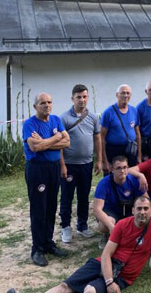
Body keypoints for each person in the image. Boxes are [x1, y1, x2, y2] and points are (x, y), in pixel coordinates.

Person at [43, 196, 151, 293]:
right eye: (139, 209)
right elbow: (106, 254)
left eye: (146, 209)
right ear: (133, 210)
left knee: (90, 290)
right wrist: (109, 282)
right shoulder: (122, 225)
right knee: (64, 287)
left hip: (123, 274)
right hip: (102, 264)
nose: (142, 212)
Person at [23, 92, 70, 266]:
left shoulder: (56, 120)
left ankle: (48, 243)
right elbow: (35, 147)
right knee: (39, 208)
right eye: (43, 103)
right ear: (35, 106)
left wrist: (45, 142)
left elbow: (67, 142)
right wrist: (56, 138)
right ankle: (37, 249)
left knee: (51, 206)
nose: (47, 105)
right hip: (37, 169)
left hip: (54, 167)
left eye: (49, 102)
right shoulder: (29, 124)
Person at [59, 84, 102, 244]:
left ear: (87, 98)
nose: (82, 100)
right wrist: (62, 165)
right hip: (69, 165)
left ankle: (82, 226)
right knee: (67, 197)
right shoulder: (64, 118)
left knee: (84, 196)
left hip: (86, 164)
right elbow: (59, 144)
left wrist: (99, 160)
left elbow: (97, 138)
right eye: (78, 97)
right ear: (72, 98)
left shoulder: (93, 117)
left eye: (84, 97)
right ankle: (65, 227)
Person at [93, 156, 149, 249]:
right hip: (111, 212)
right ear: (112, 169)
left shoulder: (134, 180)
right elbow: (96, 209)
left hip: (129, 210)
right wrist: (112, 227)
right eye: (118, 168)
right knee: (104, 225)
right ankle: (107, 235)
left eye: (124, 167)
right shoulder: (104, 183)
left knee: (145, 215)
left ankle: (136, 235)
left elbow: (146, 200)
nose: (122, 171)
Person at [100, 84, 140, 170]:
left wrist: (139, 155)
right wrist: (104, 160)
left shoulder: (134, 111)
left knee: (131, 174)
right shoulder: (108, 112)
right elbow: (101, 137)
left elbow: (137, 134)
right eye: (123, 93)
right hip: (114, 151)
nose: (125, 95)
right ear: (117, 95)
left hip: (131, 149)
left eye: (128, 93)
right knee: (113, 175)